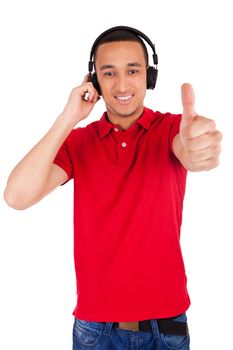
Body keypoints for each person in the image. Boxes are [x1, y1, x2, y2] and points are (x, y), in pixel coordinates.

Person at [4, 26, 222, 350]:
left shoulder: (171, 129)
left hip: (166, 328)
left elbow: (187, 149)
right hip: (95, 330)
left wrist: (198, 148)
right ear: (95, 81)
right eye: (109, 73)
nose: (121, 85)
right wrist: (69, 117)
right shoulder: (78, 142)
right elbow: (16, 196)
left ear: (148, 76)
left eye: (132, 70)